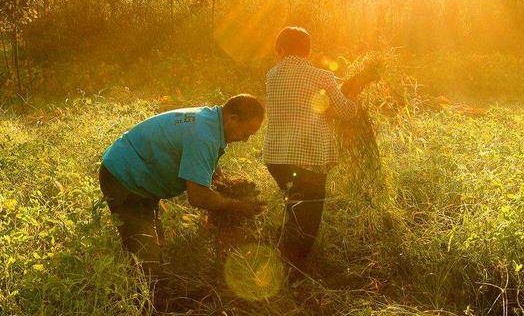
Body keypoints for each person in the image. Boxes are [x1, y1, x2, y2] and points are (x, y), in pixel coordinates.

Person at [99, 94, 265, 278]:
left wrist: (225, 184)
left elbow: (205, 163)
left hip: (139, 176)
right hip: (124, 177)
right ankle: (135, 298)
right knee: (146, 263)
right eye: (245, 133)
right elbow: (198, 196)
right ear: (233, 119)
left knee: (155, 244)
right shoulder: (204, 135)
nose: (245, 140)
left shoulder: (210, 121)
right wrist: (236, 206)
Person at [263, 26, 358, 279]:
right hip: (307, 160)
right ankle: (295, 275)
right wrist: (353, 96)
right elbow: (345, 112)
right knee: (308, 219)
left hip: (276, 157)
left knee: (293, 207)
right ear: (309, 51)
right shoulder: (322, 77)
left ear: (280, 51)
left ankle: (282, 261)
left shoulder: (272, 75)